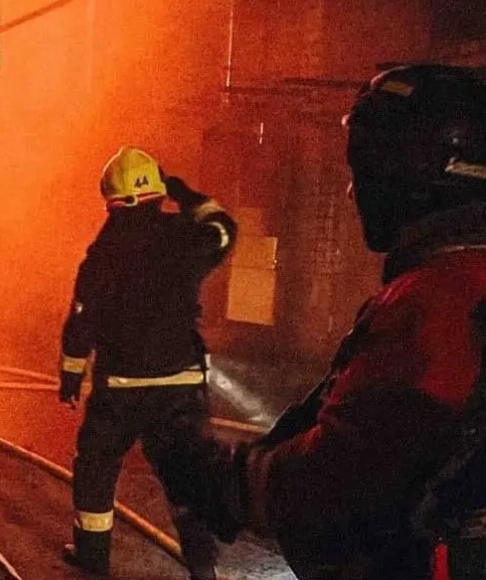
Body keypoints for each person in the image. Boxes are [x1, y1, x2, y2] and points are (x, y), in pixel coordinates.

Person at [159, 64, 486, 580]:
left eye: (367, 169)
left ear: (415, 173)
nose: (356, 191)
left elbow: (336, 479)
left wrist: (221, 481)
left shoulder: (439, 300)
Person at [58, 145, 237, 579]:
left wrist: (70, 376)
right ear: (157, 192)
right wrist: (185, 193)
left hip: (119, 390)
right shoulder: (184, 239)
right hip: (179, 387)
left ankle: (93, 557)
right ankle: (203, 568)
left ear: (110, 197)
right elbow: (223, 230)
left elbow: (81, 320)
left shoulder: (101, 255)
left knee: (96, 468)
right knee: (187, 476)